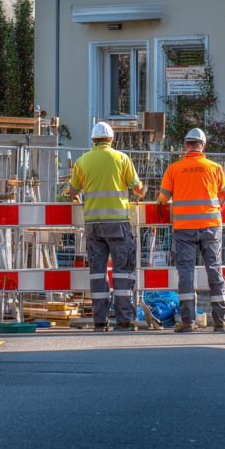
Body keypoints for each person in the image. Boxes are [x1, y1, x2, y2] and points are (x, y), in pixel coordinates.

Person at [68, 122, 146, 332]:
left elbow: (73, 191)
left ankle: (100, 320)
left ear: (93, 140)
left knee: (97, 273)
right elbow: (137, 189)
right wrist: (143, 190)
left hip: (93, 225)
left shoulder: (82, 161)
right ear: (111, 139)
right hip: (118, 224)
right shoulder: (122, 159)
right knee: (122, 272)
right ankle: (124, 319)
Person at [157, 128, 225, 332]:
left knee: (186, 275)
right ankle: (220, 321)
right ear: (203, 145)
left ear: (185, 145)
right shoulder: (215, 168)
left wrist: (162, 201)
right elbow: (224, 196)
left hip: (184, 230)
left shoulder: (174, 169)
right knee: (214, 270)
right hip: (210, 228)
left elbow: (163, 198)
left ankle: (188, 322)